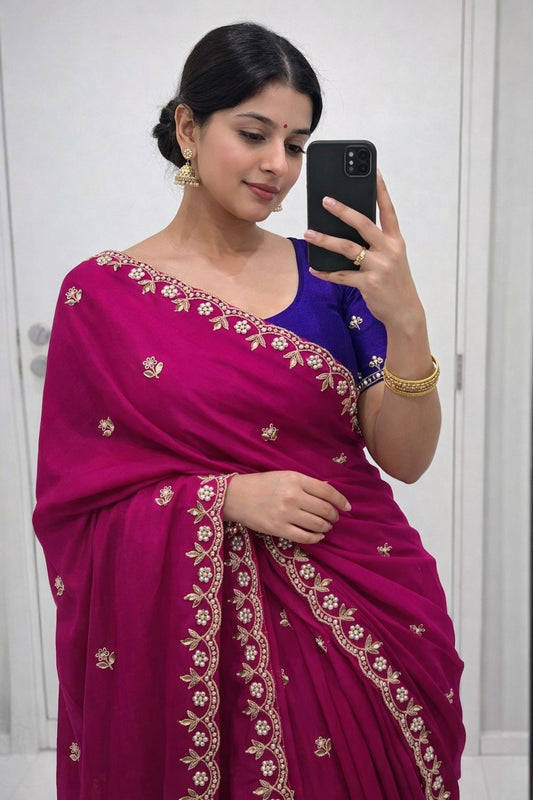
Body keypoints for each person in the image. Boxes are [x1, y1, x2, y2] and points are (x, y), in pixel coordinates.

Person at [33, 21, 465, 800]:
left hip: (361, 594)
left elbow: (405, 458)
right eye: (253, 133)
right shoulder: (99, 297)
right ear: (188, 129)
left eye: (296, 144)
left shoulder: (336, 280)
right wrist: (222, 498)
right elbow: (75, 502)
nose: (278, 166)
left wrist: (406, 320)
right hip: (192, 637)